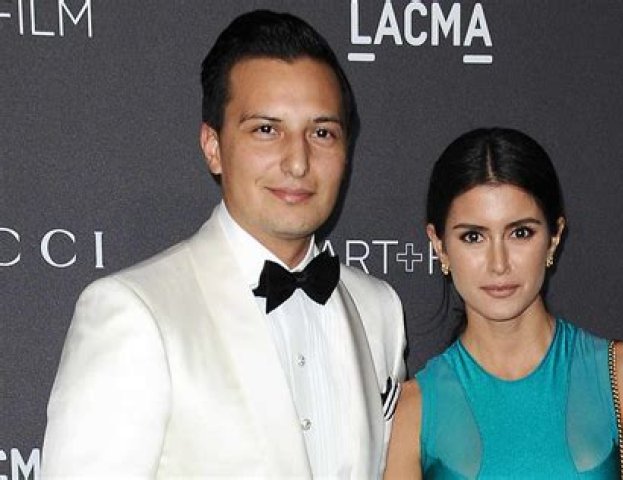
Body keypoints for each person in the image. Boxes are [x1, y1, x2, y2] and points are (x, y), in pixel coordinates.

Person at [42, 10, 406, 478]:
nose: (298, 162)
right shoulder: (135, 311)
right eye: (266, 130)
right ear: (213, 147)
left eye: (321, 133)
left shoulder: (378, 309)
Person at [385, 128, 623, 479]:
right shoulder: (412, 411)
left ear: (553, 238)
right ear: (439, 245)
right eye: (473, 236)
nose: (499, 263)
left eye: (520, 233)